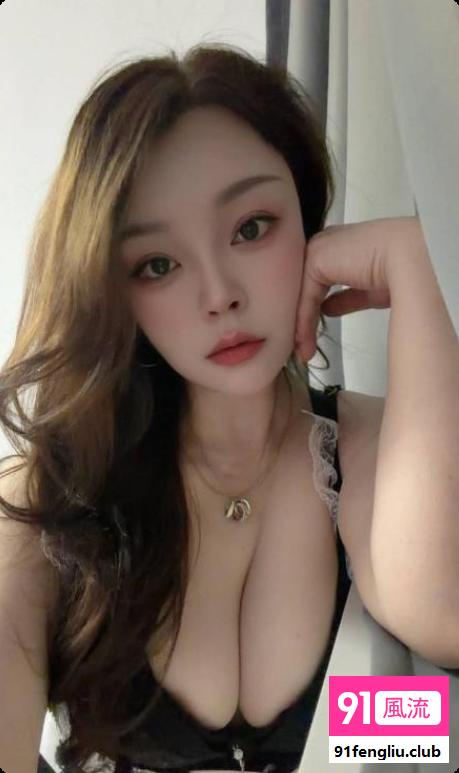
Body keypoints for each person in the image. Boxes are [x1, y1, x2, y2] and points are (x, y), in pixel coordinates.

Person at [1, 43, 457, 773]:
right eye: (158, 264)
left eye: (251, 227)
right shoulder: (50, 498)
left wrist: (415, 264)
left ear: (307, 216)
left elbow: (442, 624)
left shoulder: (371, 448)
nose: (219, 295)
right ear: (111, 290)